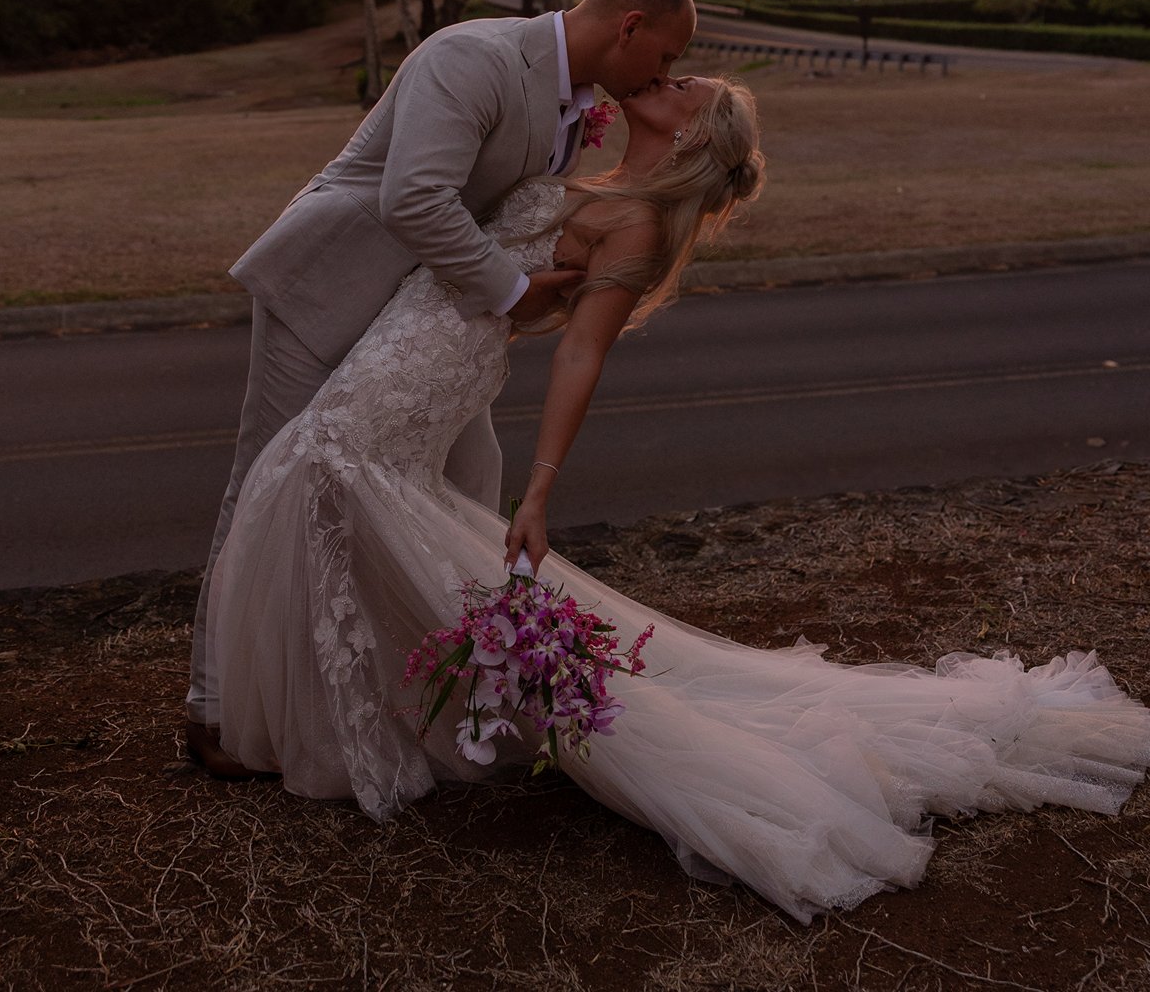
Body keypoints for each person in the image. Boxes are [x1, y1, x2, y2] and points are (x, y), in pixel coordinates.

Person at [201, 71, 1150, 924]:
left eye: (688, 85)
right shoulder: (598, 174)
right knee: (329, 485)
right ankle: (353, 716)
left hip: (435, 363)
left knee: (323, 473)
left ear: (696, 134)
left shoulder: (639, 222)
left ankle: (323, 732)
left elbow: (581, 351)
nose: (671, 77)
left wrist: (537, 492)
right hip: (410, 344)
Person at [185, 0, 698, 775]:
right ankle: (215, 710)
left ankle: (442, 687)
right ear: (630, 26)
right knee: (268, 481)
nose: (664, 74)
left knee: (468, 483)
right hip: (331, 282)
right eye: (665, 57)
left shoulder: (579, 102)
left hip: (423, 315)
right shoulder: (473, 57)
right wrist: (518, 293)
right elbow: (414, 198)